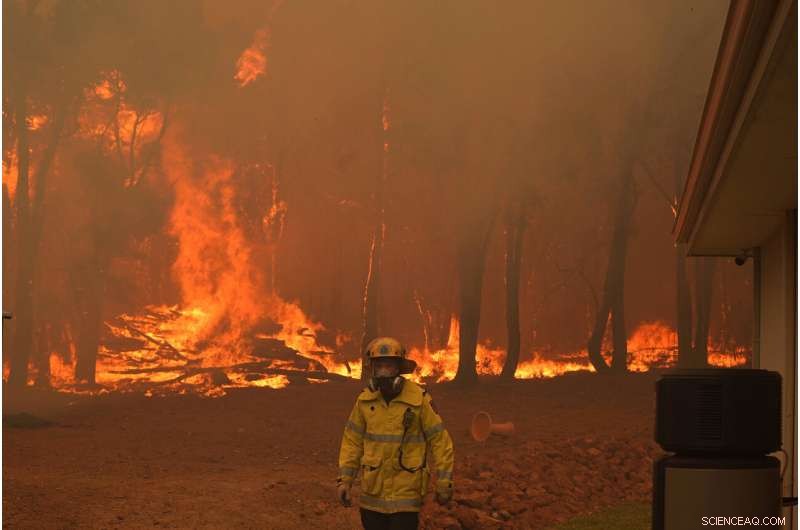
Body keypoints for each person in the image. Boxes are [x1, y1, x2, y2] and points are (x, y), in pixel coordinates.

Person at [336, 337, 455, 530]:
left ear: (399, 368)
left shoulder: (419, 399)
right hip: (372, 498)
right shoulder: (364, 401)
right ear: (372, 369)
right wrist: (345, 481)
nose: (383, 372)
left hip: (406, 499)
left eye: (389, 366)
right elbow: (352, 442)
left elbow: (440, 441)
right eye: (379, 366)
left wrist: (444, 483)